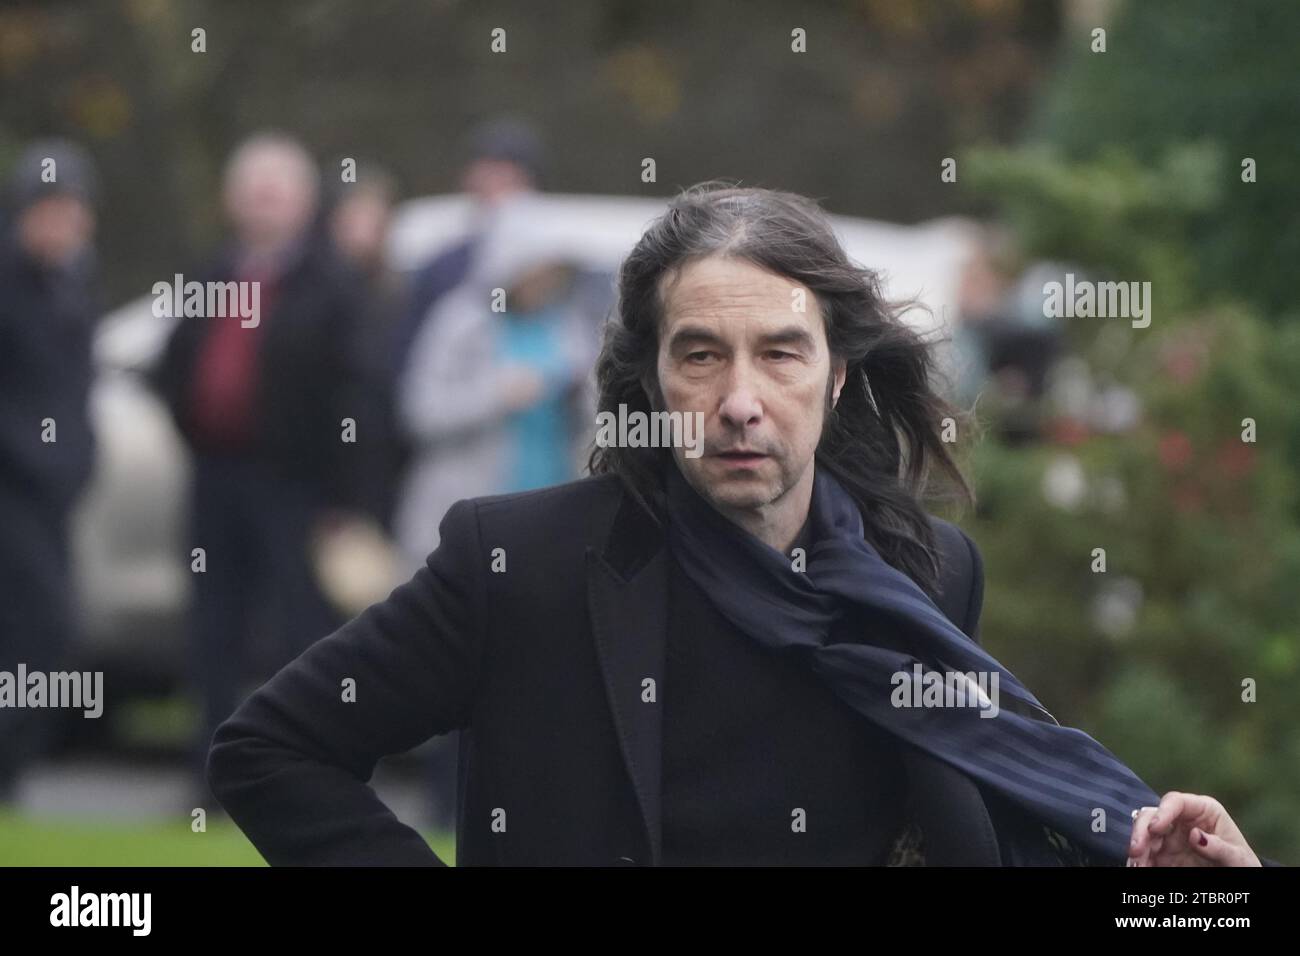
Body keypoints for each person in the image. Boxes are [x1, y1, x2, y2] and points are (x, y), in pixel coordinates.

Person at [206, 182, 1273, 866]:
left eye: (780, 350)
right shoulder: (516, 559)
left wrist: (1158, 880)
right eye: (701, 353)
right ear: (653, 375)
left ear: (837, 372)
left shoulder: (926, 570)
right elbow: (272, 748)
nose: (740, 398)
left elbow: (985, 817)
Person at [149, 132, 371, 806]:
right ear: (231, 201)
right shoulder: (214, 274)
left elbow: (359, 393)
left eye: (276, 192)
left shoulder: (332, 284)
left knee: (298, 638)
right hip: (217, 479)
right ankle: (209, 782)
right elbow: (172, 368)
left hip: (296, 488)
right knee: (211, 631)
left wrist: (347, 498)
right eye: (252, 192)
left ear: (304, 202)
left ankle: (287, 780)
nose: (263, 205)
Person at [0, 140, 100, 802]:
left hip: (52, 495)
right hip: (12, 488)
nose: (59, 225)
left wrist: (78, 459)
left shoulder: (73, 284)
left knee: (46, 631)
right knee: (26, 626)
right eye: (47, 210)